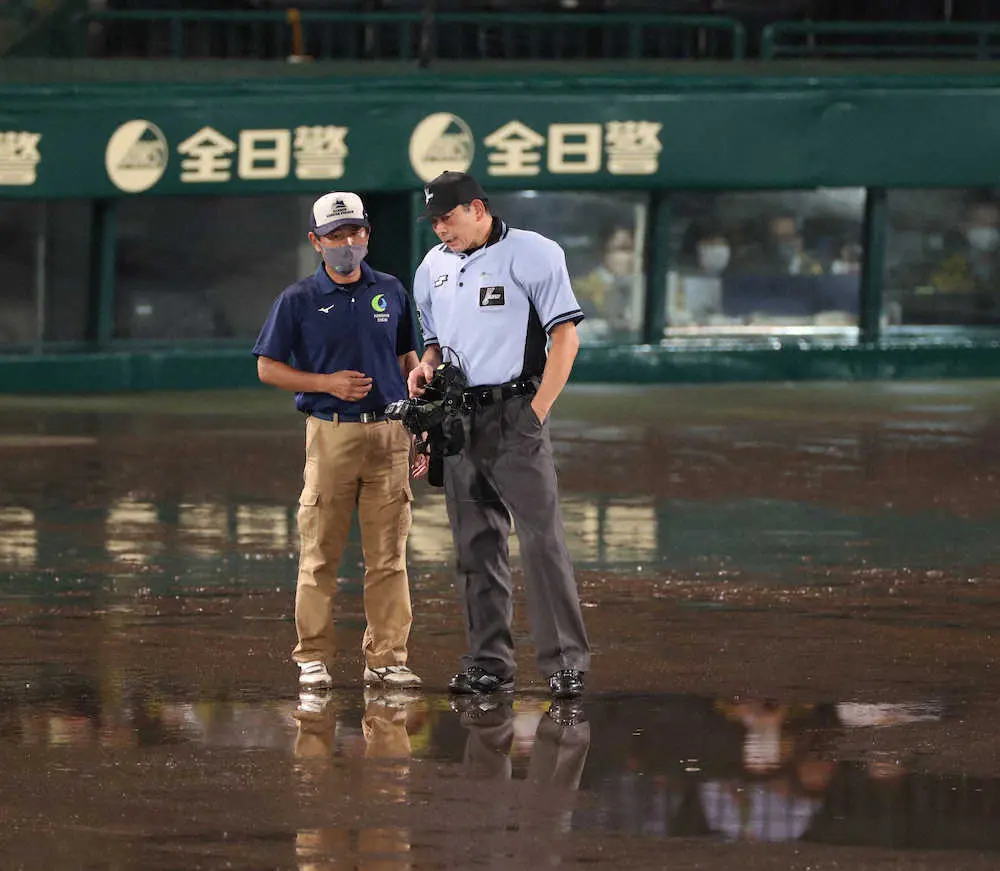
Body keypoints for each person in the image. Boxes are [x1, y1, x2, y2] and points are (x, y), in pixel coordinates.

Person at [408, 170, 591, 700]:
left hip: (515, 412)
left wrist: (536, 412)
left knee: (542, 542)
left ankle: (566, 665)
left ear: (479, 208)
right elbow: (436, 345)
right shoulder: (431, 269)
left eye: (448, 217)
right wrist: (426, 367)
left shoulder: (533, 253)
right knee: (475, 546)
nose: (441, 228)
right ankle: (489, 663)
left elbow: (565, 339)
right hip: (459, 421)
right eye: (434, 220)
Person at [253, 191, 425, 695]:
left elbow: (408, 359)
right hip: (330, 433)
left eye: (356, 233)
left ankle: (387, 659)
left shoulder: (391, 290)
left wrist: (421, 422)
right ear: (316, 242)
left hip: (391, 434)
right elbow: (267, 367)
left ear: (368, 234)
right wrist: (325, 383)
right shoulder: (298, 299)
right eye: (336, 236)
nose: (348, 244)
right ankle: (312, 658)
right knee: (320, 554)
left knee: (389, 557)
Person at [573, 223, 640, 340]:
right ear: (603, 252)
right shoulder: (581, 290)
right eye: (622, 249)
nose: (632, 257)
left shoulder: (645, 288)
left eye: (634, 250)